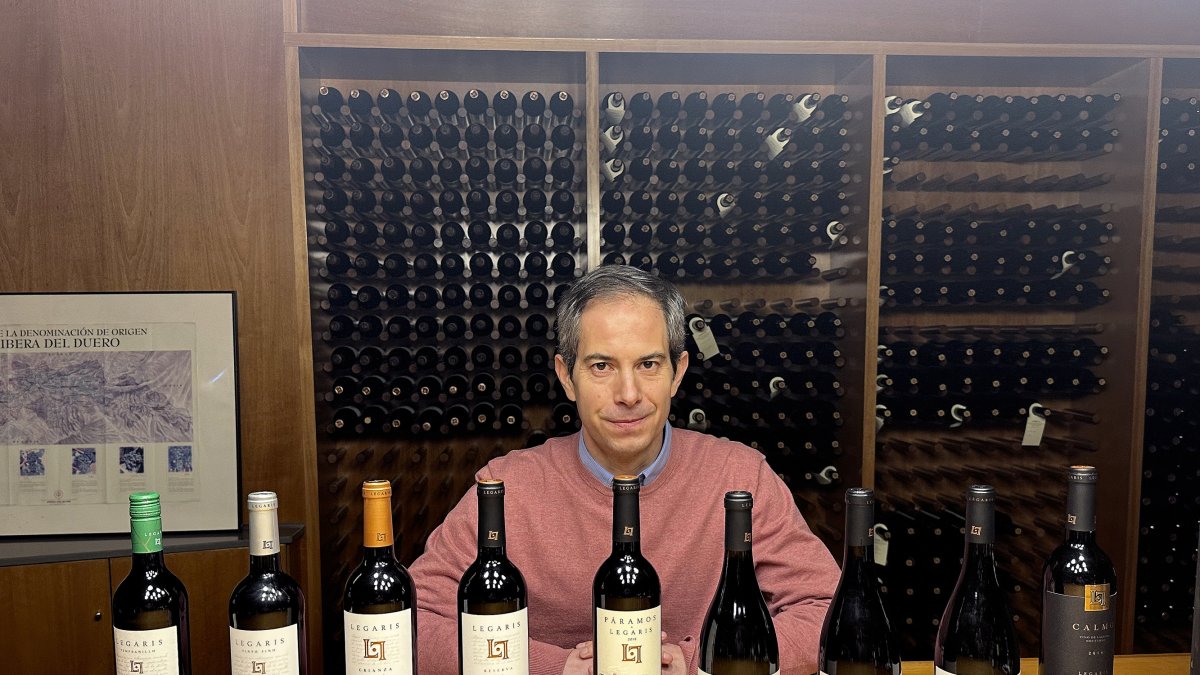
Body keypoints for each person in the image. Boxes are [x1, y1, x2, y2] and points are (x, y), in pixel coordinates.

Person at [409, 264, 840, 674]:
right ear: (566, 376)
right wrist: (549, 667)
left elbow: (825, 608)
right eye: (602, 366)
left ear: (677, 373)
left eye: (648, 365)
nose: (628, 393)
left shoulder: (741, 478)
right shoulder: (504, 485)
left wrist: (700, 661)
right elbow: (412, 623)